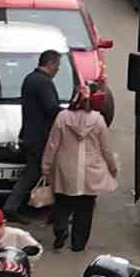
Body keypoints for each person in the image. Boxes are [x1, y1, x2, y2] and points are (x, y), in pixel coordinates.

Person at [40, 88, 119, 253]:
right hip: (89, 172)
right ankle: (78, 244)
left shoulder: (62, 117)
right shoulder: (98, 120)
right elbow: (106, 149)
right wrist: (112, 167)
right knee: (85, 209)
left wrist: (46, 166)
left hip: (64, 169)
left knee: (62, 203)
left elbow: (52, 144)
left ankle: (61, 229)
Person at [2, 49, 64, 220]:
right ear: (50, 64)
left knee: (33, 171)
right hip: (40, 137)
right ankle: (14, 206)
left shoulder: (30, 78)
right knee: (37, 172)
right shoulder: (44, 83)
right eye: (57, 66)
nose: (57, 70)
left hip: (30, 134)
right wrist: (68, 113)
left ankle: (18, 206)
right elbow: (51, 108)